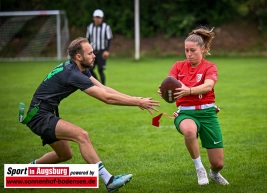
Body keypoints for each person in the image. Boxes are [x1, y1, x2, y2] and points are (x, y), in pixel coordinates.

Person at [22, 37, 160, 192]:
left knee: (64, 155)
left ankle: (25, 173)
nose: (94, 55)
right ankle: (109, 180)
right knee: (82, 135)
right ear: (79, 57)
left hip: (45, 114)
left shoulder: (80, 69)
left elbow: (104, 89)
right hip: (39, 116)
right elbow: (106, 98)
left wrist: (136, 99)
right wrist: (137, 103)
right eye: (90, 53)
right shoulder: (72, 74)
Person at [158, 26, 229, 186]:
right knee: (189, 131)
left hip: (208, 114)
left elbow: (208, 87)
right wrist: (163, 90)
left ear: (203, 49)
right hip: (185, 114)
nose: (189, 54)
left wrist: (188, 90)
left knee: (218, 163)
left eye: (193, 50)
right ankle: (199, 168)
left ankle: (213, 173)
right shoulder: (178, 66)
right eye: (186, 51)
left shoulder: (210, 67)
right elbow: (169, 83)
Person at [86, 9, 112, 85]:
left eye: (99, 17)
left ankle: (103, 87)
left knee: (101, 70)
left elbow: (109, 39)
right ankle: (98, 84)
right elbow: (87, 39)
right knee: (89, 69)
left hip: (102, 51)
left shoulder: (106, 27)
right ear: (93, 18)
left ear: (102, 18)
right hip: (92, 51)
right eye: (96, 17)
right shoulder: (90, 27)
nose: (97, 19)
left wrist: (107, 50)